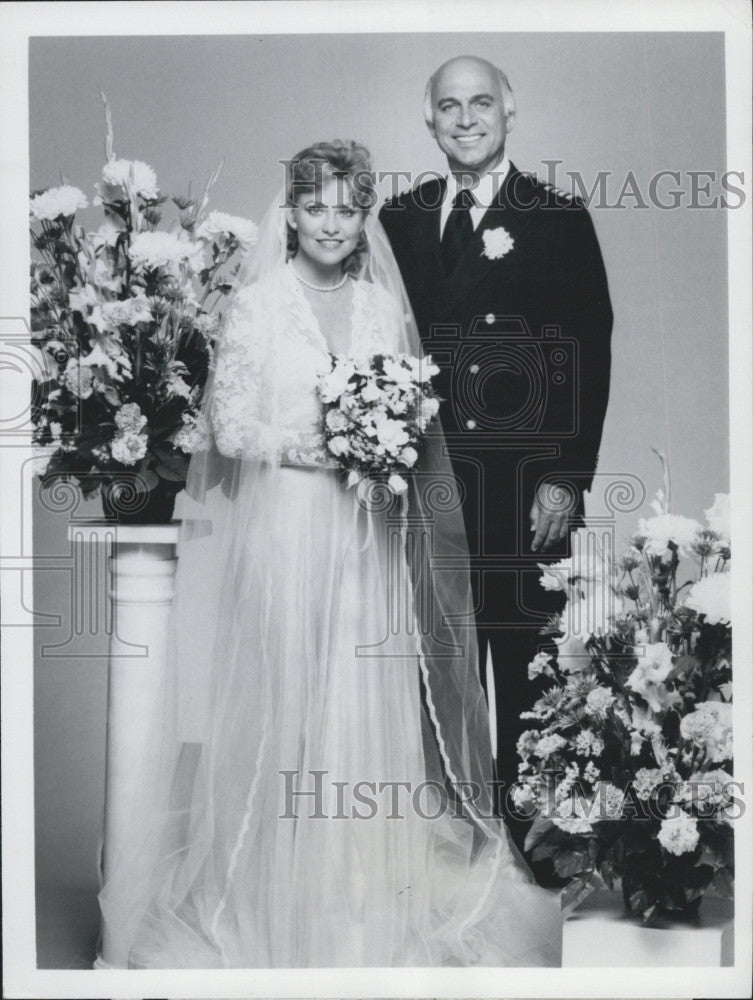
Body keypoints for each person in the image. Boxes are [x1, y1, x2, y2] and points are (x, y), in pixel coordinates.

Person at [95, 140, 561, 969]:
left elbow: (414, 419)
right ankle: (278, 885)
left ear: (363, 217)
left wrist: (383, 439)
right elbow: (229, 428)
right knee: (291, 695)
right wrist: (326, 438)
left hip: (366, 534)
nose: (333, 225)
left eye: (349, 210)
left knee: (362, 692)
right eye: (318, 208)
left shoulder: (383, 308)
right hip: (288, 531)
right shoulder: (260, 307)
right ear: (294, 212)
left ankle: (361, 887)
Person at [380, 57, 613, 842]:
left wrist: (565, 480)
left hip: (519, 484)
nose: (466, 118)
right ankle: (446, 846)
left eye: (481, 103)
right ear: (429, 119)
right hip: (423, 485)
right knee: (431, 668)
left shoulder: (553, 214)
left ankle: (530, 850)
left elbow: (586, 353)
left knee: (522, 669)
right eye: (449, 105)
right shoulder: (398, 219)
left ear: (509, 113)